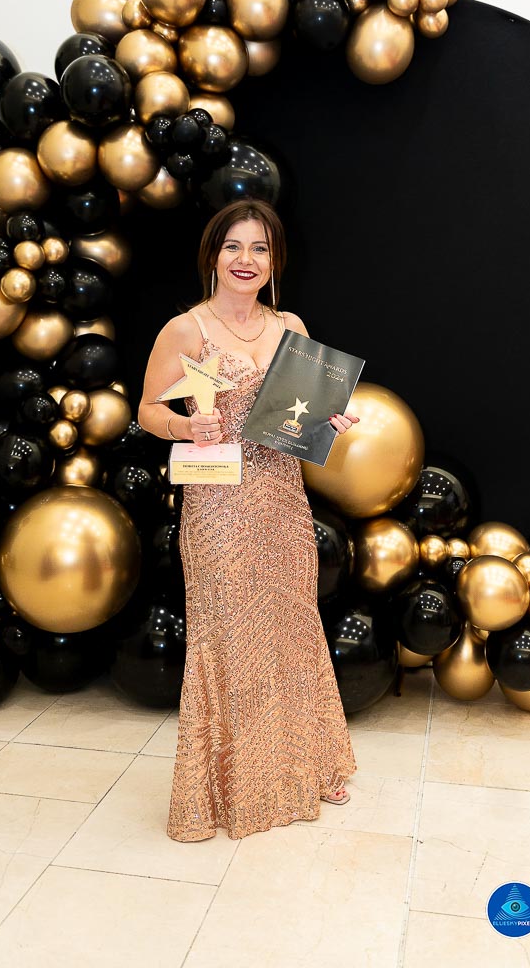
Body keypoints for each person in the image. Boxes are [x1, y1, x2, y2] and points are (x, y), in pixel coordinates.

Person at [137, 198, 359, 841]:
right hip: (219, 509)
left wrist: (330, 420)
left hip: (283, 503)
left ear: (274, 260)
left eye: (259, 248)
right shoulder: (186, 329)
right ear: (212, 255)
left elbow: (302, 418)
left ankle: (310, 765)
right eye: (233, 246)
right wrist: (185, 426)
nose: (246, 259)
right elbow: (147, 409)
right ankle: (231, 786)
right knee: (229, 641)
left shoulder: (290, 325)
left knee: (293, 632)